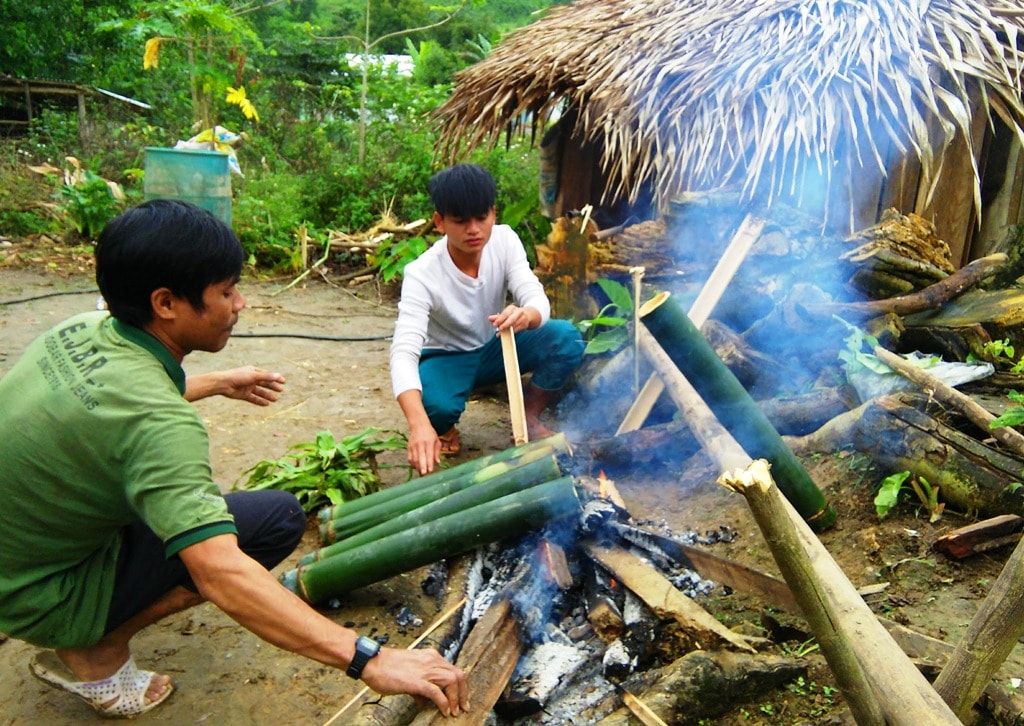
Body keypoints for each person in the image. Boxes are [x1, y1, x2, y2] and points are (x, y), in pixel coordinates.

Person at [0, 200, 468, 719]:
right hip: (36, 593)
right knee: (273, 526)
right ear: (165, 303)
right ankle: (92, 650)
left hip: (20, 550)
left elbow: (111, 405)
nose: (240, 303)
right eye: (225, 292)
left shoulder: (81, 331)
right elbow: (219, 573)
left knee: (263, 511)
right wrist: (369, 659)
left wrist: (219, 382)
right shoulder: (159, 426)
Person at [391, 163, 584, 476]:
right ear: (439, 222)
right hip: (446, 357)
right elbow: (403, 352)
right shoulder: (421, 274)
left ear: (493, 213)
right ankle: (444, 427)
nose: (474, 230)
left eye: (482, 218)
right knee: (434, 410)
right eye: (460, 221)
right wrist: (419, 426)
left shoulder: (505, 241)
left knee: (567, 338)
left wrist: (526, 316)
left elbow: (536, 299)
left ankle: (528, 417)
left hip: (496, 345)